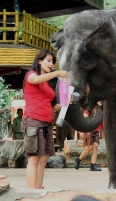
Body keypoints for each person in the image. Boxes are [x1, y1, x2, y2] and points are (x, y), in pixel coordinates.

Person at [22, 49, 68, 189]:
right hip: (33, 121)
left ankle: (38, 190)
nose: (51, 64)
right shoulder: (32, 75)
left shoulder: (48, 83)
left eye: (53, 62)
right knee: (34, 158)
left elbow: (50, 105)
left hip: (47, 122)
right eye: (48, 61)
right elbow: (35, 80)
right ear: (39, 60)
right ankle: (32, 193)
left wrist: (66, 103)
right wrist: (58, 73)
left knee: (44, 158)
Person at [74, 102, 103, 171]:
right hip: (88, 130)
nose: (100, 103)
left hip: (96, 130)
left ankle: (93, 165)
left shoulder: (99, 110)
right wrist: (81, 131)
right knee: (88, 149)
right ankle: (78, 159)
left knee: (95, 146)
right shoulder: (89, 109)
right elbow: (83, 119)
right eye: (99, 101)